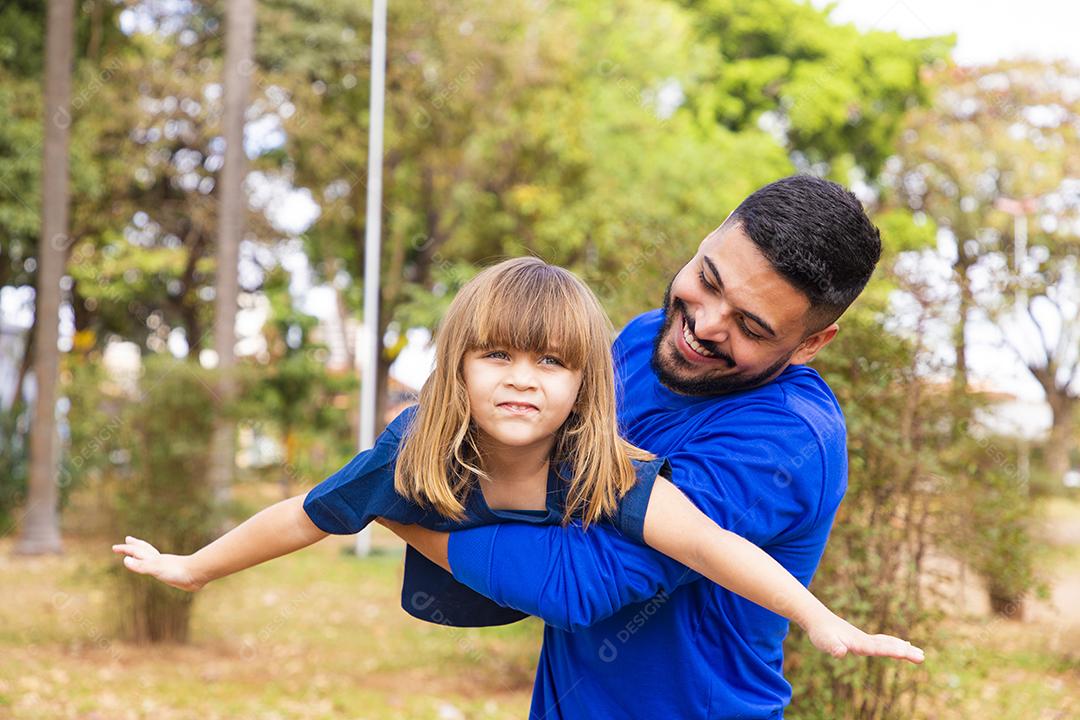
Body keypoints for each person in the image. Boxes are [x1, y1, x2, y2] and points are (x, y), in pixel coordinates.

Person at [112, 256, 921, 671]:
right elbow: (301, 516)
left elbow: (711, 545)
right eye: (497, 355)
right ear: (457, 365)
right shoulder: (410, 453)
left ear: (586, 382)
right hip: (471, 604)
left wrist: (818, 618)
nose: (522, 379)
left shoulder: (600, 466)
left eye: (551, 364)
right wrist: (194, 569)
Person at [378, 176, 897, 719]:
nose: (704, 324)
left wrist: (390, 510)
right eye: (708, 278)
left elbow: (575, 584)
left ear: (810, 344)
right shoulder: (643, 339)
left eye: (749, 325)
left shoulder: (785, 441)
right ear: (706, 240)